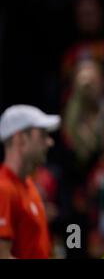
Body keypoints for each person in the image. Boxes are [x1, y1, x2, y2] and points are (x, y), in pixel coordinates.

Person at [0, 105, 60, 258]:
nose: (49, 142)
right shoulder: (3, 189)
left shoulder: (30, 186)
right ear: (20, 139)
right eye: (42, 135)